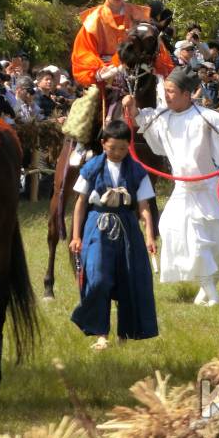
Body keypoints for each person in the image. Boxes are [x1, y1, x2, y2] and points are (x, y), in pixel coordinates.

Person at [124, 65, 219, 306]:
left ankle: (209, 290)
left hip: (207, 188)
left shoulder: (204, 115)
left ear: (186, 93)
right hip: (182, 190)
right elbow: (141, 117)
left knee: (208, 241)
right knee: (172, 229)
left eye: (172, 91)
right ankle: (209, 290)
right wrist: (131, 106)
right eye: (165, 91)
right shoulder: (162, 116)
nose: (167, 96)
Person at [65, 0, 174, 163]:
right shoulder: (94, 19)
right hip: (107, 71)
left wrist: (159, 66)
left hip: (137, 68)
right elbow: (83, 51)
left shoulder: (140, 15)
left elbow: (153, 42)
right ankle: (83, 142)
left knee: (163, 96)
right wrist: (100, 70)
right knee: (91, 100)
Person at [69, 119, 158, 349]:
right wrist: (76, 236)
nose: (117, 153)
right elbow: (80, 204)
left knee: (130, 280)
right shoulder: (92, 167)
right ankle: (101, 333)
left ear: (129, 146)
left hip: (128, 228)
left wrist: (149, 236)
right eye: (112, 148)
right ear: (103, 144)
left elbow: (144, 207)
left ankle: (126, 334)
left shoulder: (137, 171)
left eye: (122, 148)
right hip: (96, 227)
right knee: (97, 278)